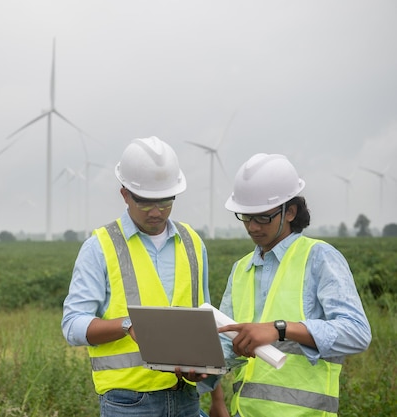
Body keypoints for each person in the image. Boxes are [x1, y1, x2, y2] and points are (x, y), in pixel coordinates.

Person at [61, 136, 218, 417]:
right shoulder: (100, 246)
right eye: (146, 202)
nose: (157, 212)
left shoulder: (193, 243)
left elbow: (205, 322)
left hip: (186, 398)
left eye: (166, 201)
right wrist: (128, 325)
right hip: (128, 404)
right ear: (125, 194)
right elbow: (72, 326)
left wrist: (213, 391)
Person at [213, 153, 372, 416]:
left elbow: (356, 333)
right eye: (246, 216)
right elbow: (228, 344)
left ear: (291, 212)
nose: (252, 227)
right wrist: (200, 367)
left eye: (262, 217)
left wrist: (281, 329)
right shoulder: (241, 269)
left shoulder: (319, 258)